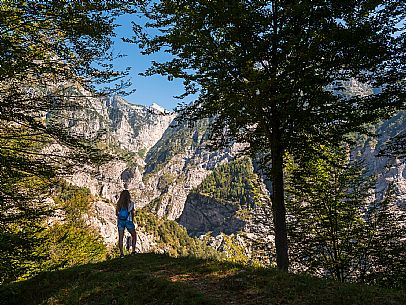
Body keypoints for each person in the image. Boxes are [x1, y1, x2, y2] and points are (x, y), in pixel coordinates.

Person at [115, 189, 137, 258]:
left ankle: (121, 254)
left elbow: (116, 214)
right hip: (128, 221)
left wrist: (121, 217)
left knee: (120, 238)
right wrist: (132, 221)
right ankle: (133, 251)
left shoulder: (119, 203)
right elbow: (132, 213)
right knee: (134, 235)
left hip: (120, 221)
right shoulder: (131, 203)